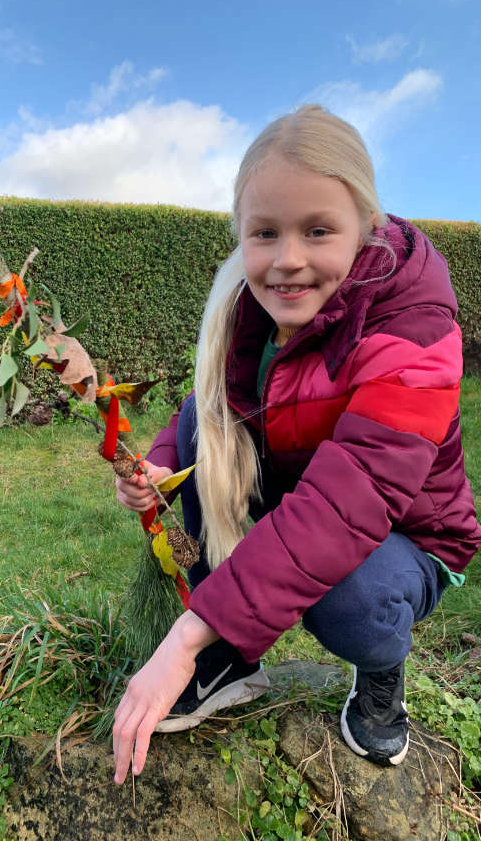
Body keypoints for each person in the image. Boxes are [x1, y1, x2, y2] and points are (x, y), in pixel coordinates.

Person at [112, 104, 481, 785]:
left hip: (404, 533)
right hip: (313, 501)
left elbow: (350, 503)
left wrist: (185, 635)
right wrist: (161, 464)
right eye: (265, 233)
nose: (288, 261)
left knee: (348, 596)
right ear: (240, 235)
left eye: (318, 231)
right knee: (203, 432)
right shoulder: (247, 307)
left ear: (368, 226)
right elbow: (207, 409)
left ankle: (377, 673)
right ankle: (232, 660)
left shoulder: (416, 328)